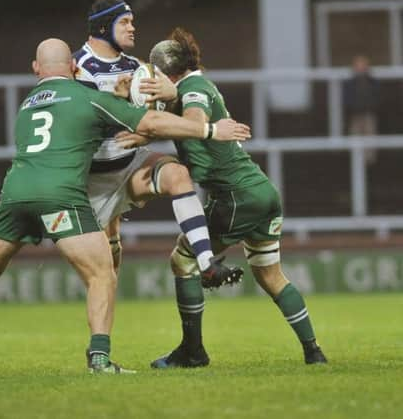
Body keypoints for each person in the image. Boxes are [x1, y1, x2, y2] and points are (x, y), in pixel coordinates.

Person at [0, 38, 251, 377]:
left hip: (14, 195)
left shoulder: (28, 104)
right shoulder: (85, 97)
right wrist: (208, 129)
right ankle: (99, 359)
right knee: (102, 275)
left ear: (36, 69)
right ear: (73, 66)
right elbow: (150, 124)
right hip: (60, 196)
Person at [117, 27, 328, 367]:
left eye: (155, 75)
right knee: (269, 274)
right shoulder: (188, 88)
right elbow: (181, 127)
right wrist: (146, 131)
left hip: (234, 197)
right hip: (261, 192)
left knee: (182, 260)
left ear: (167, 73)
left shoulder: (194, 88)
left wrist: (169, 109)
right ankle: (313, 351)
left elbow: (195, 121)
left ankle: (192, 352)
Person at [73, 0, 241, 286]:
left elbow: (157, 113)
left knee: (177, 174)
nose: (132, 28)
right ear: (103, 28)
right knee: (105, 276)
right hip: (91, 179)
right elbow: (79, 122)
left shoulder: (139, 69)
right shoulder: (78, 67)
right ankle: (102, 330)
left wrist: (171, 94)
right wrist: (121, 108)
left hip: (128, 167)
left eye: (132, 22)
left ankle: (207, 263)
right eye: (124, 22)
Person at [343, 54, 380, 165]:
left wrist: (372, 106)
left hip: (369, 113)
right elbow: (347, 97)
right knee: (355, 136)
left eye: (362, 65)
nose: (360, 67)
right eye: (358, 65)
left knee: (370, 135)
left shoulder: (372, 81)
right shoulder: (350, 82)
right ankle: (356, 160)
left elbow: (377, 96)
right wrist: (352, 107)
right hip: (355, 114)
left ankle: (369, 161)